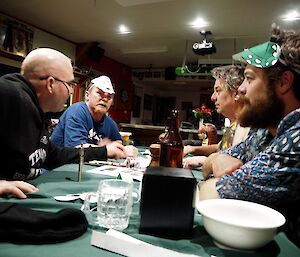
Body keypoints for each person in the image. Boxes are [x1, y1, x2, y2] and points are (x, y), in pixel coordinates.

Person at [199, 26, 300, 246]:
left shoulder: (297, 138)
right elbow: (211, 163)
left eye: (249, 79)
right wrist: (219, 159)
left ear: (284, 82)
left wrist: (218, 171)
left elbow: (211, 196)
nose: (240, 90)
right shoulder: (263, 131)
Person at [0, 48, 126, 181]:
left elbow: (55, 156)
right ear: (50, 84)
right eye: (69, 84)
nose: (72, 91)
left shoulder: (36, 111)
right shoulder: (9, 94)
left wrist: (104, 152)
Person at [51, 75, 137, 157]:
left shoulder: (109, 122)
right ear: (87, 95)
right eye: (100, 93)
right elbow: (75, 149)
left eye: (109, 97)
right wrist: (106, 149)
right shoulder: (77, 111)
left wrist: (116, 148)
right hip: (57, 168)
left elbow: (118, 142)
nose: (104, 99)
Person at [183, 65, 249, 169]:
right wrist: (192, 149)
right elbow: (219, 146)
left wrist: (206, 161)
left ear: (236, 93)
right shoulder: (234, 125)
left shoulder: (246, 127)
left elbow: (234, 169)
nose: (213, 97)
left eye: (218, 91)